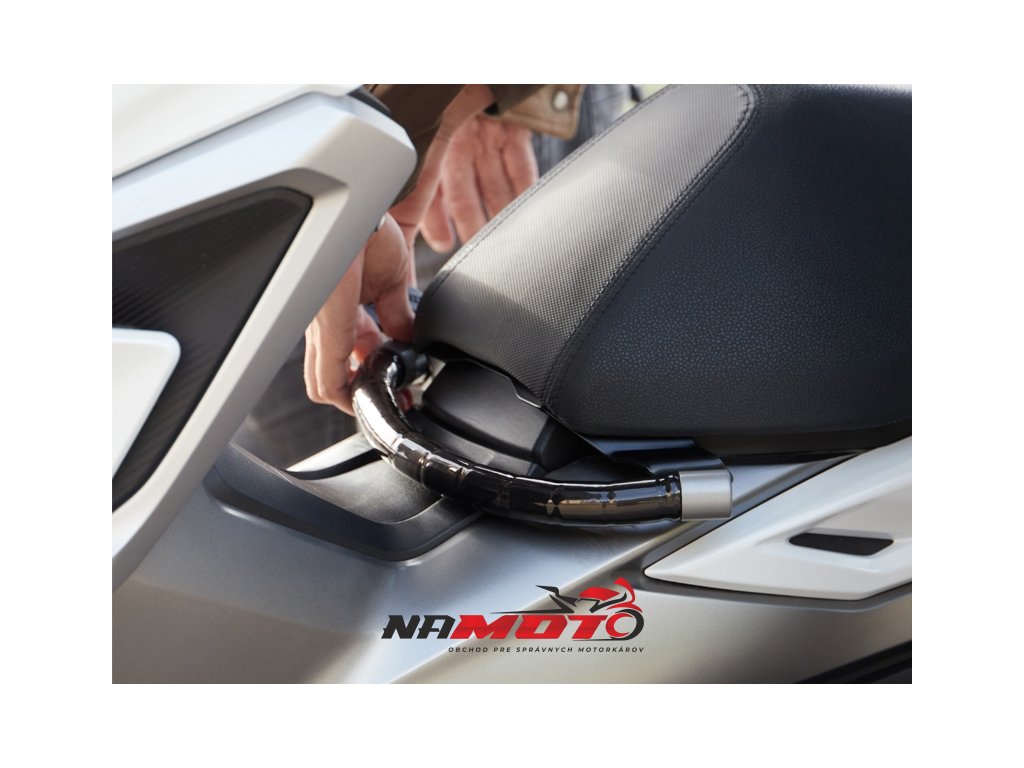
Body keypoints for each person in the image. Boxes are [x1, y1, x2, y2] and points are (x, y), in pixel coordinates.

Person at [233, 85, 633, 467]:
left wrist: (473, 97)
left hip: (436, 122)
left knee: (492, 439)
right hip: (279, 151)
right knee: (289, 440)